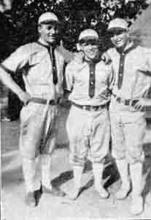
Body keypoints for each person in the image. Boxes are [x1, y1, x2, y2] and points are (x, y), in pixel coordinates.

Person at [0, 12, 66, 207]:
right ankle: (31, 188)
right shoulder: (28, 49)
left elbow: (80, 59)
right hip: (35, 107)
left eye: (55, 27)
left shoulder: (61, 52)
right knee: (30, 150)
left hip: (54, 108)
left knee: (48, 149)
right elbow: (3, 70)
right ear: (40, 29)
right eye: (48, 27)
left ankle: (46, 184)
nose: (53, 31)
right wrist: (20, 93)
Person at [107, 18, 151, 215]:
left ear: (127, 32)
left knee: (134, 154)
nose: (116, 37)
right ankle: (126, 185)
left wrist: (150, 102)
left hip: (134, 111)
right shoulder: (110, 54)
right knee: (118, 151)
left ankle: (137, 196)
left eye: (119, 32)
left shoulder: (145, 54)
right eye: (112, 34)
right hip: (114, 107)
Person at [65, 29, 114, 200]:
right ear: (80, 46)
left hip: (100, 112)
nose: (91, 47)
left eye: (94, 43)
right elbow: (67, 88)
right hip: (79, 112)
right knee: (78, 151)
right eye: (86, 44)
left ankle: (99, 185)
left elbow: (112, 87)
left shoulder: (108, 64)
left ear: (98, 44)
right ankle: (77, 186)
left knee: (99, 151)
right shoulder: (72, 66)